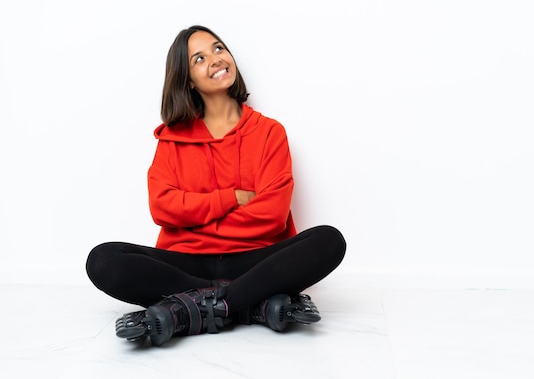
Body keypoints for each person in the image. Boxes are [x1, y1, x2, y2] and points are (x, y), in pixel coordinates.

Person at [85, 25, 347, 346]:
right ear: (188, 81)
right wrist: (231, 198)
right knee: (103, 259)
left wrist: (193, 218)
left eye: (219, 48)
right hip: (188, 262)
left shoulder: (269, 132)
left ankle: (190, 306)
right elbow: (162, 207)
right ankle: (252, 305)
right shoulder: (173, 138)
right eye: (199, 58)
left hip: (256, 259)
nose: (215, 59)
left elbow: (273, 215)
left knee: (328, 240)